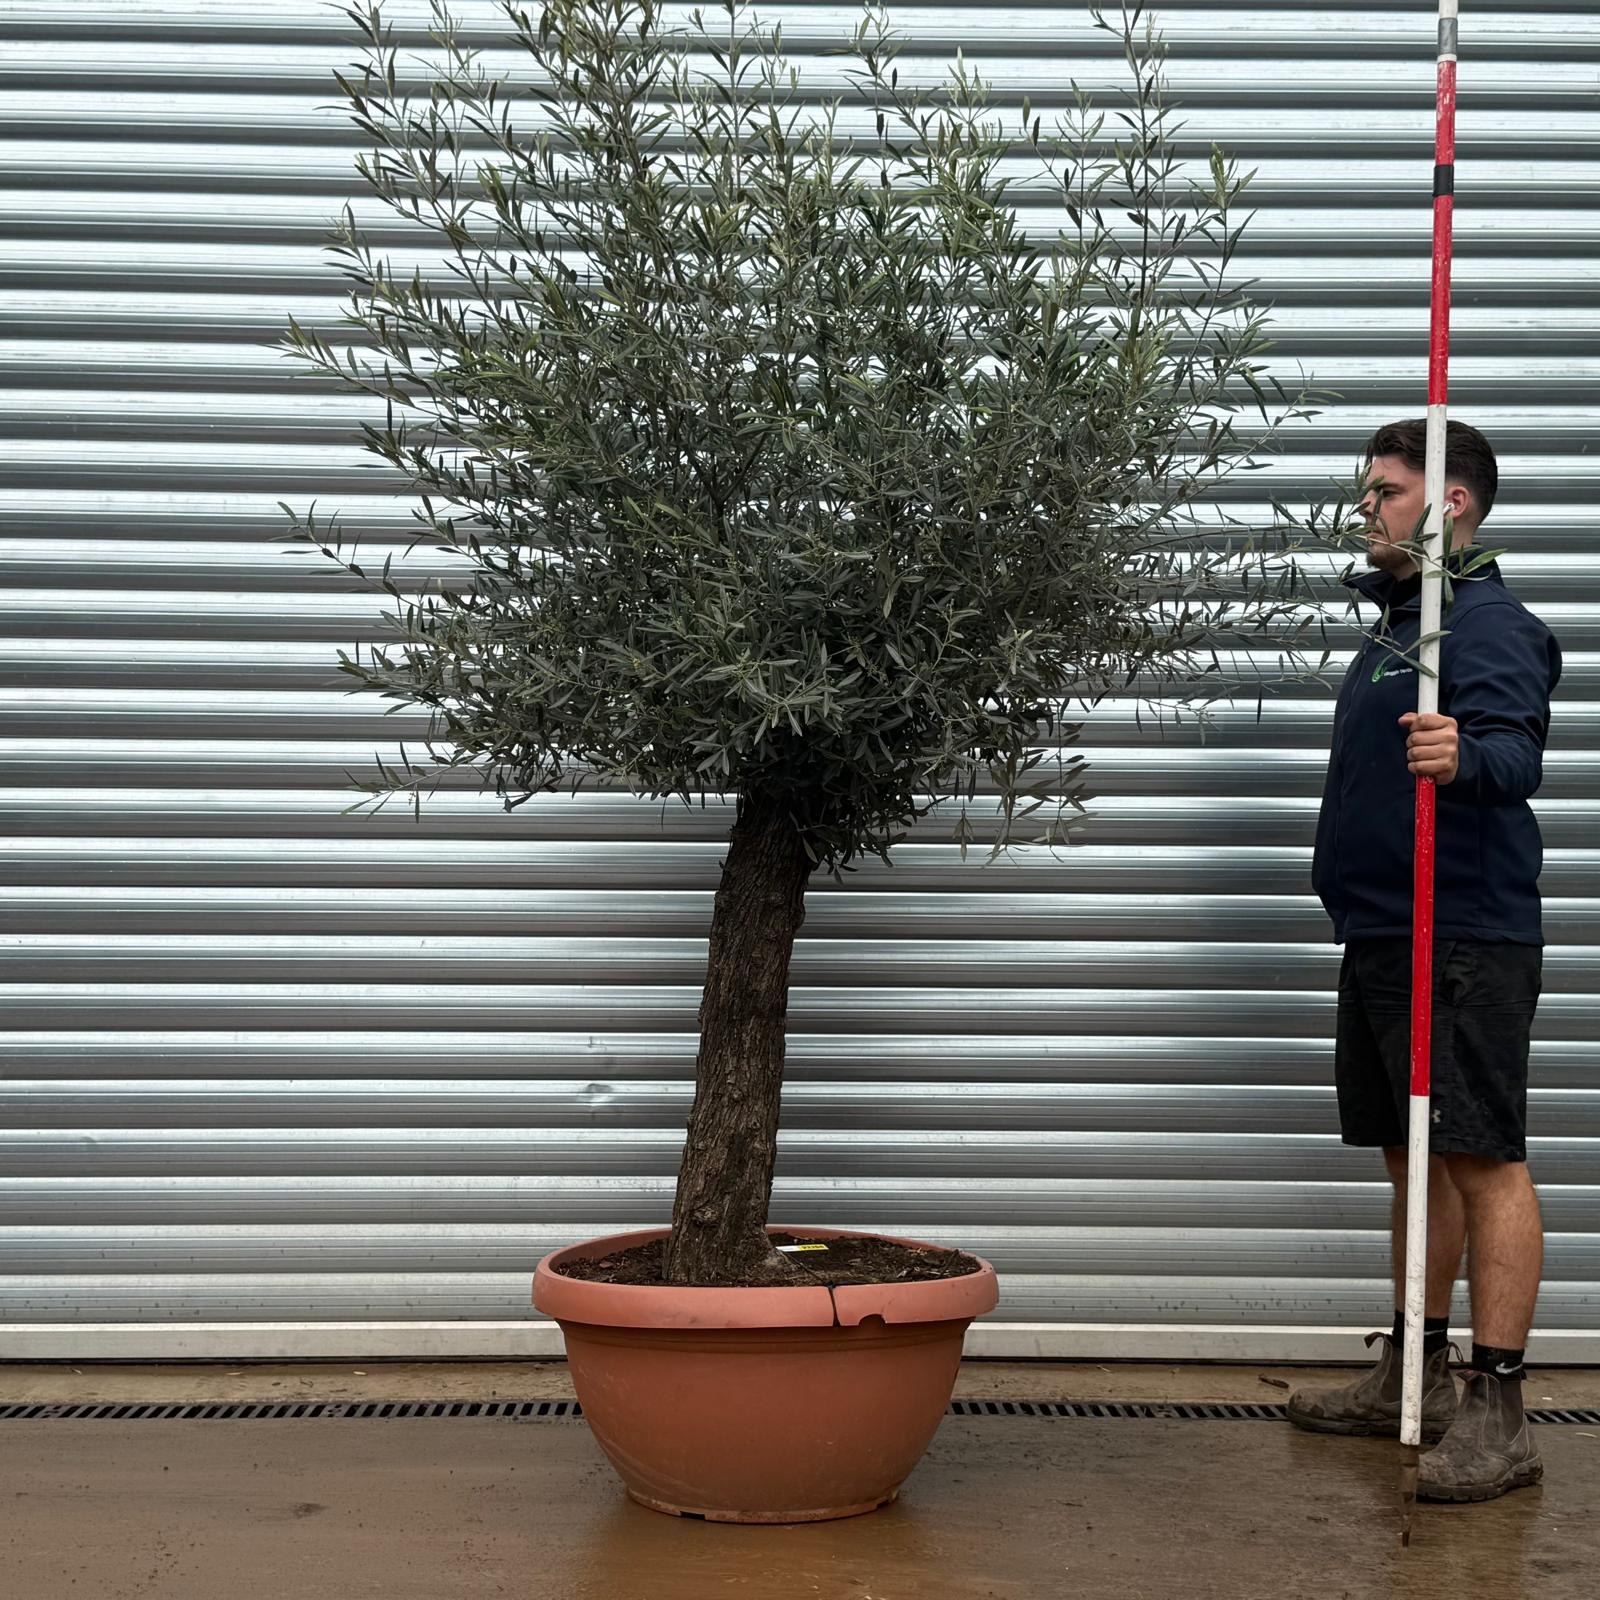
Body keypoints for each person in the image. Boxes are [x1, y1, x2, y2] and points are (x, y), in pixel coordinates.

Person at [1286, 419, 1562, 1503]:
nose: (1366, 508)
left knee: (1482, 1157)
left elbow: (1515, 752)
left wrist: (1466, 755)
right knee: (1414, 1157)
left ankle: (1501, 1411)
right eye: (1367, 491)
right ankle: (1415, 1370)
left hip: (1462, 937)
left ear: (1451, 503)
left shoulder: (1486, 624)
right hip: (1385, 931)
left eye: (1386, 491)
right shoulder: (1403, 628)